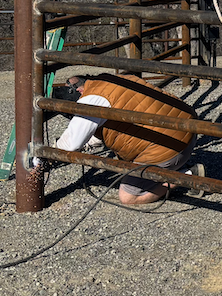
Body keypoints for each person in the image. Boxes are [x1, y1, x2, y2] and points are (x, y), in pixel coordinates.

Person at [47, 72, 198, 205]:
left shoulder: (90, 100)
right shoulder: (107, 80)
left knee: (128, 196)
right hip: (187, 127)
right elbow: (103, 130)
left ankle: (188, 176)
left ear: (79, 91)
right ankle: (174, 167)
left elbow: (70, 144)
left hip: (170, 147)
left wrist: (44, 156)